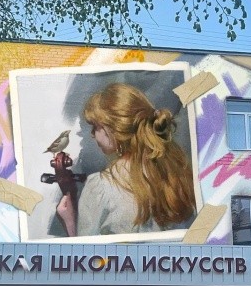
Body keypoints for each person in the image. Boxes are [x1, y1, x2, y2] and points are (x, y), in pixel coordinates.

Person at [57, 83, 196, 236]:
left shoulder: (100, 186)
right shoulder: (175, 175)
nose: (92, 134)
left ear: (114, 128)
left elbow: (88, 249)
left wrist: (70, 222)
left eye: (95, 127)